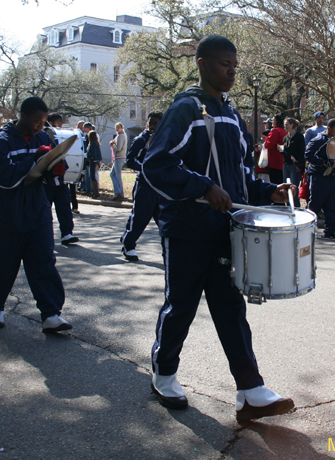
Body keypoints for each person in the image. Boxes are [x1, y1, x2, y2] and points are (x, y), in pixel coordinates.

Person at [140, 34, 295, 423]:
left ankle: (250, 391)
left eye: (234, 64)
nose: (232, 71)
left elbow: (239, 175)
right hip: (187, 228)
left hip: (226, 229)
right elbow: (156, 165)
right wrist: (203, 187)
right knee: (181, 305)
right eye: (225, 63)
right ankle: (164, 373)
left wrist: (268, 192)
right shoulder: (185, 109)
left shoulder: (231, 114)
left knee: (230, 307)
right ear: (202, 63)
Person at [0, 97, 72, 333]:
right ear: (23, 116)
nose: (40, 126)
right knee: (3, 266)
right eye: (37, 121)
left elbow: (51, 170)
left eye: (43, 122)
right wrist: (33, 160)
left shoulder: (43, 137)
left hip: (38, 211)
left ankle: (51, 314)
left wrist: (56, 169)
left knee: (44, 263)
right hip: (8, 216)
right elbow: (5, 178)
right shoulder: (1, 142)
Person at [120, 111, 163, 261]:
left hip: (161, 187)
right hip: (144, 185)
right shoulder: (141, 139)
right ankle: (128, 244)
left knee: (166, 219)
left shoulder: (165, 139)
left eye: (155, 123)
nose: (152, 126)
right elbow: (130, 160)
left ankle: (171, 250)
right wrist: (146, 169)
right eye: (150, 123)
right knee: (140, 217)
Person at [306, 118, 335, 238]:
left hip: (331, 176)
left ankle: (331, 230)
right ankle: (306, 229)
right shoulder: (319, 140)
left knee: (331, 203)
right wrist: (322, 162)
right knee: (315, 203)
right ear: (329, 128)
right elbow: (308, 154)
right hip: (318, 176)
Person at [44, 113, 79, 246]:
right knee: (44, 210)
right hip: (45, 181)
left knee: (64, 207)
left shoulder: (57, 135)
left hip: (60, 178)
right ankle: (45, 235)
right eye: (57, 123)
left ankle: (67, 233)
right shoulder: (43, 135)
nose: (59, 125)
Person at [282, 117, 305, 207]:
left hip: (294, 165)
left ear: (292, 125)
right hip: (286, 164)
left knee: (294, 186)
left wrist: (299, 164)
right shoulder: (286, 138)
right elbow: (286, 150)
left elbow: (302, 151)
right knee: (286, 186)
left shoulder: (299, 136)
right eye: (285, 124)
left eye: (287, 124)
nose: (285, 126)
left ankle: (296, 206)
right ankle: (288, 205)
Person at [263, 114, 287, 184]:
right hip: (281, 160)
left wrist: (265, 143)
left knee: (275, 182)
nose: (272, 122)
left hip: (274, 161)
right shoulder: (283, 131)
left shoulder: (275, 131)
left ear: (277, 122)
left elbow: (269, 144)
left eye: (273, 120)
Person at [109, 122, 128, 201]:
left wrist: (112, 145)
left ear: (121, 128)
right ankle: (119, 192)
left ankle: (119, 192)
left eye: (118, 127)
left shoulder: (121, 136)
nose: (117, 129)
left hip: (119, 157)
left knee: (117, 175)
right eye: (116, 128)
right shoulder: (121, 135)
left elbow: (118, 148)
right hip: (119, 157)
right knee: (113, 174)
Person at [86, 131, 102, 198]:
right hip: (95, 161)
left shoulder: (93, 143)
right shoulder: (95, 143)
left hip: (93, 162)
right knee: (93, 176)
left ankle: (96, 192)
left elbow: (92, 153)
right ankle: (94, 192)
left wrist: (88, 156)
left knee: (92, 177)